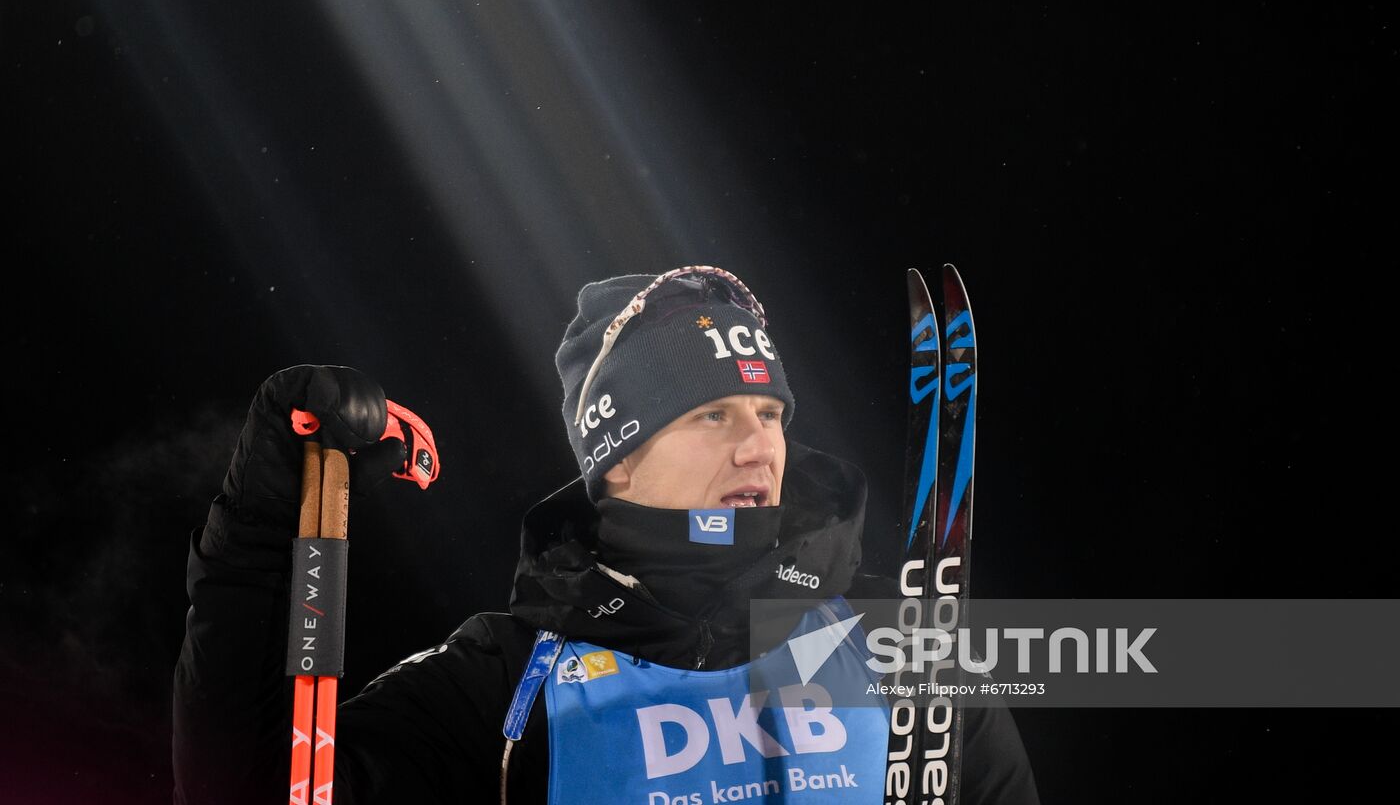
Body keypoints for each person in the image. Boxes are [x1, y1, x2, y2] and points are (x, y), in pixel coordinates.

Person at [173, 265, 1039, 804]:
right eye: (711, 415)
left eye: (769, 411)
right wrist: (261, 523)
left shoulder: (902, 643)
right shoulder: (504, 684)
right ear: (615, 461)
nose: (757, 445)